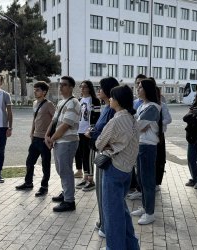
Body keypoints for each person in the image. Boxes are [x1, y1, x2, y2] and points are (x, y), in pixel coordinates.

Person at [95, 85, 140, 250]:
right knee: (122, 211)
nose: (110, 100)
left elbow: (99, 142)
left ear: (118, 100)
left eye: (112, 97)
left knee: (112, 215)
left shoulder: (116, 120)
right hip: (127, 169)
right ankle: (131, 246)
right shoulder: (131, 118)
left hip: (114, 169)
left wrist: (108, 146)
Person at [85, 77, 119, 238]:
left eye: (101, 88)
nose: (98, 90)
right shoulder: (106, 107)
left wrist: (93, 135)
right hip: (100, 150)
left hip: (107, 153)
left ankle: (107, 225)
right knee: (100, 191)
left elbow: (109, 133)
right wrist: (93, 132)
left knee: (105, 191)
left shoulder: (113, 109)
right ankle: (102, 219)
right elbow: (101, 128)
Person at [45, 76, 81, 212]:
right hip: (59, 140)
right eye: (60, 85)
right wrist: (47, 135)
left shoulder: (73, 103)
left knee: (65, 170)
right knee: (61, 170)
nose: (61, 87)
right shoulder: (61, 103)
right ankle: (66, 192)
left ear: (71, 87)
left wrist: (52, 139)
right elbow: (54, 121)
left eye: (64, 85)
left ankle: (69, 201)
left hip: (68, 141)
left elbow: (66, 125)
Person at [15, 82, 55, 196]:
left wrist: (49, 135)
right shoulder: (34, 103)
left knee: (45, 164)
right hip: (35, 138)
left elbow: (55, 120)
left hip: (44, 139)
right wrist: (31, 132)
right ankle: (28, 183)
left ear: (44, 92)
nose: (35, 91)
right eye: (35, 89)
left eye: (37, 90)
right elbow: (34, 119)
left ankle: (44, 186)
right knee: (29, 162)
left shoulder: (49, 104)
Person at [130, 79, 160, 225]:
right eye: (138, 87)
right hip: (140, 144)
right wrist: (138, 124)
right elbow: (137, 124)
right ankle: (145, 206)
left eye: (141, 87)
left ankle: (150, 213)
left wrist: (139, 124)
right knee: (141, 179)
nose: (138, 89)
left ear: (148, 89)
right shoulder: (143, 105)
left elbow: (137, 125)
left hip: (148, 146)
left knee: (147, 180)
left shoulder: (153, 107)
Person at [74, 80, 100, 191]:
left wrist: (92, 130)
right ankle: (85, 178)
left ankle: (91, 180)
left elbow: (97, 117)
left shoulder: (94, 100)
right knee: (82, 155)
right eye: (81, 87)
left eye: (85, 87)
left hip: (88, 132)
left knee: (89, 155)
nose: (82, 89)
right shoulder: (79, 100)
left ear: (89, 88)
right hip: (79, 131)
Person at [155, 85, 172, 190]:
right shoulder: (142, 104)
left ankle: (156, 182)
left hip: (159, 136)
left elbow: (168, 119)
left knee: (159, 159)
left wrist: (157, 124)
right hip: (147, 138)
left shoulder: (162, 105)